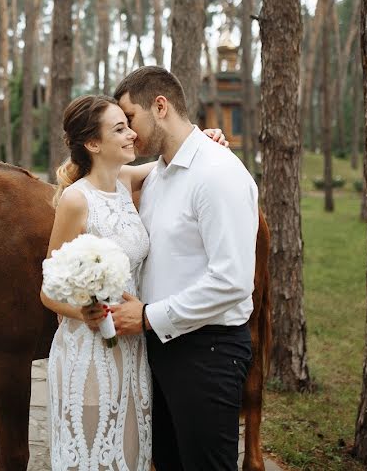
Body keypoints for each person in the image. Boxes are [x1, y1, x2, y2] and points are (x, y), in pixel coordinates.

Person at [41, 94, 227, 471]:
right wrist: (86, 312)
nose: (131, 135)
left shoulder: (126, 180)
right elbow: (47, 289)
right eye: (119, 129)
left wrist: (206, 139)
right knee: (93, 455)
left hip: (133, 347)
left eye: (128, 125)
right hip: (90, 352)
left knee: (131, 456)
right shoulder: (77, 201)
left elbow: (175, 159)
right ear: (93, 144)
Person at [109, 66, 259, 471]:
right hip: (162, 349)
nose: (129, 133)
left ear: (160, 107)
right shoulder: (158, 174)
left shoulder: (217, 173)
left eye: (131, 120)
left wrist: (146, 315)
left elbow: (232, 281)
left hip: (208, 352)